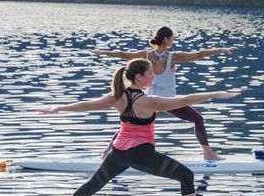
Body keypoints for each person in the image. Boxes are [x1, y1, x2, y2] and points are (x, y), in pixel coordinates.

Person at [39, 58, 238, 196]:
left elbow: (85, 106)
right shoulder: (148, 101)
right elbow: (184, 100)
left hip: (118, 152)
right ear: (139, 77)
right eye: (150, 73)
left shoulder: (117, 96)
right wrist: (214, 94)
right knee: (186, 175)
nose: (153, 76)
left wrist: (57, 109)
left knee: (93, 184)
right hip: (140, 153)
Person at [92, 26, 234, 160]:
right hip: (167, 101)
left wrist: (103, 52)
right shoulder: (173, 57)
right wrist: (221, 49)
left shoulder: (145, 55)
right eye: (172, 38)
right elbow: (199, 54)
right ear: (166, 39)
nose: (172, 41)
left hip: (148, 99)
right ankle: (208, 153)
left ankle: (107, 152)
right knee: (198, 119)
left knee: (130, 123)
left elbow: (123, 54)